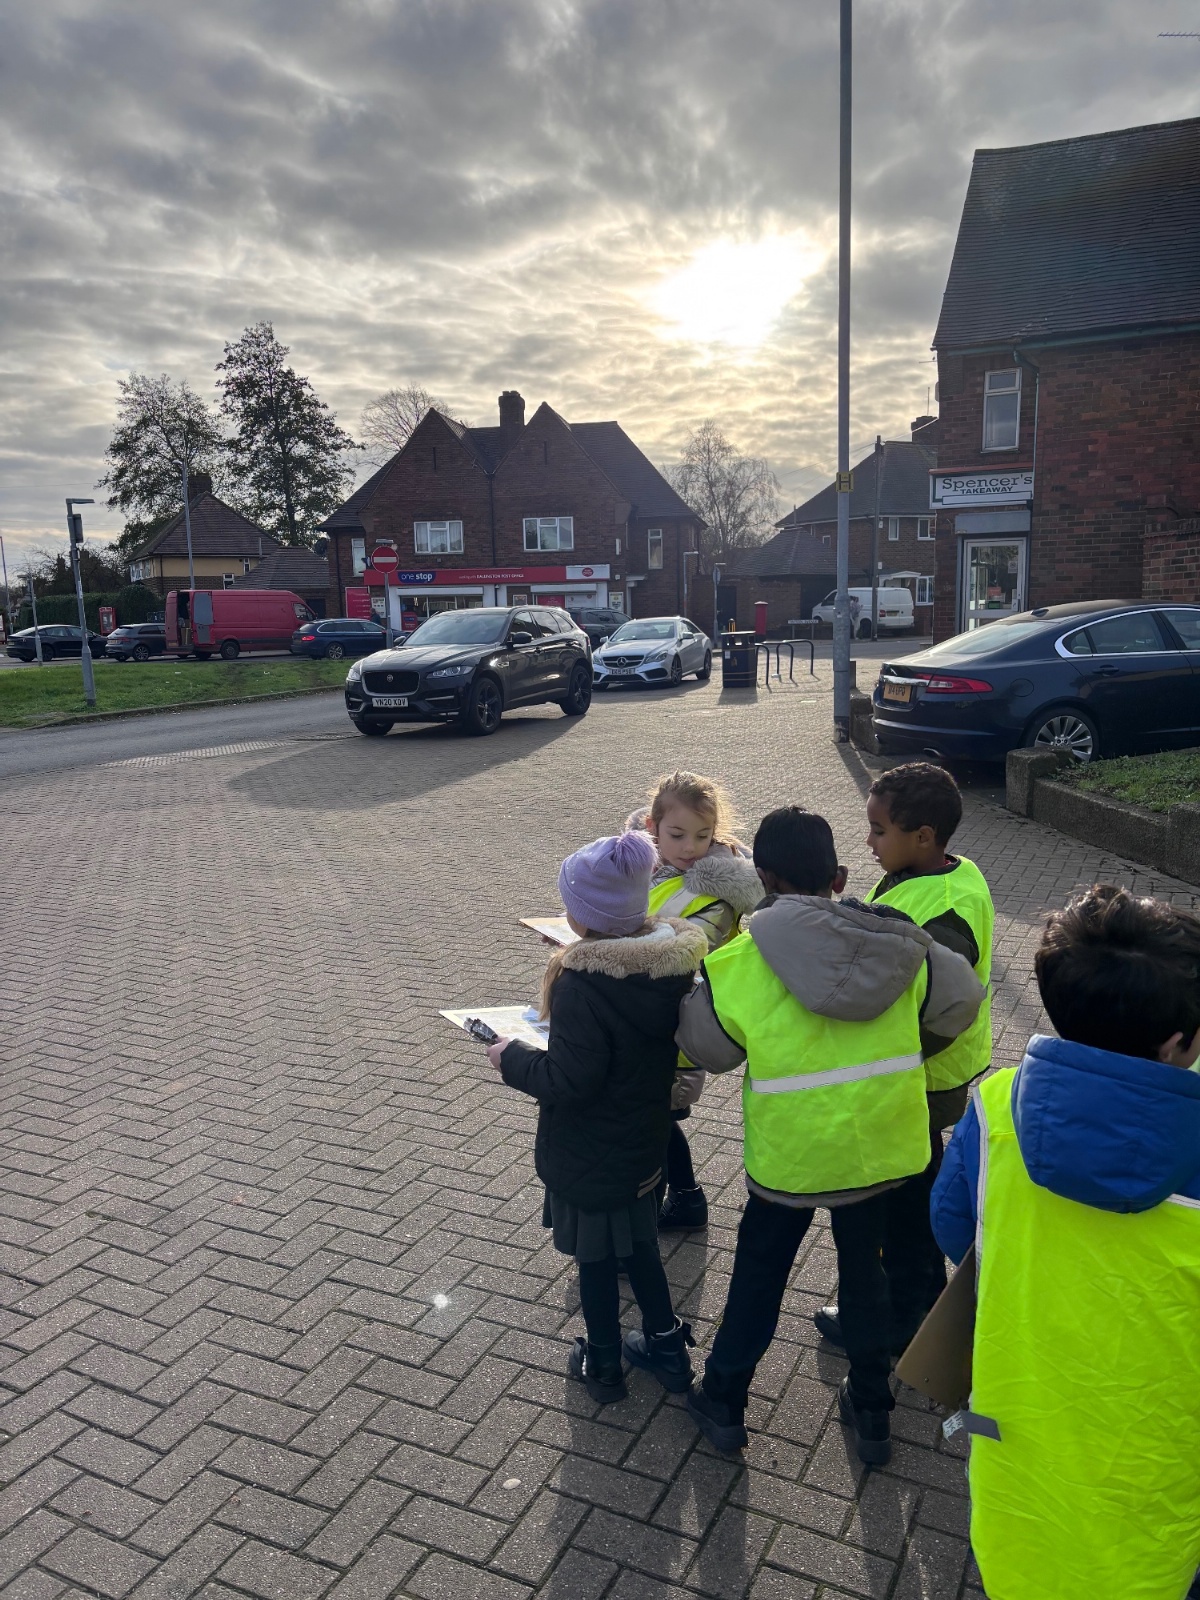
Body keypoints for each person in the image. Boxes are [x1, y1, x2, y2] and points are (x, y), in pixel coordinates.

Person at [676, 807, 983, 1462]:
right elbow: (963, 1000)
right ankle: (871, 1408)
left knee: (759, 1276)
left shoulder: (740, 963)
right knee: (866, 1277)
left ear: (763, 878)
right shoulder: (899, 943)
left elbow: (710, 1051)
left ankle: (725, 1399)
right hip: (880, 1147)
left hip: (791, 1158)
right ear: (838, 877)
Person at [931, 885, 1200, 1600]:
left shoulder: (995, 1107)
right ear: (1176, 1042)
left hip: (1018, 1440)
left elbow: (955, 1225)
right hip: (1155, 1467)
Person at [487, 830, 708, 1404]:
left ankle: (605, 1362)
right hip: (643, 1140)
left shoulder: (582, 986)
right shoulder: (666, 964)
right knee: (639, 1247)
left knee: (595, 1259)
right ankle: (667, 1347)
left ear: (583, 918)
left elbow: (569, 1081)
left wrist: (511, 1058)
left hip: (590, 1150)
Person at [814, 761, 995, 1356]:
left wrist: (888, 1055)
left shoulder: (945, 911)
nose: (868, 841)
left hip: (921, 1076)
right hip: (917, 1073)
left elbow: (944, 1008)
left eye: (878, 830)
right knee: (910, 1192)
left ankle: (901, 1319)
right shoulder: (932, 872)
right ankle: (917, 1304)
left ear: (922, 836)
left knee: (905, 1200)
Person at [627, 771, 763, 1231]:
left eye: (702, 836)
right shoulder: (645, 869)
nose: (690, 847)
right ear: (652, 827)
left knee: (654, 1118)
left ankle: (662, 1213)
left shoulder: (718, 891)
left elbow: (687, 952)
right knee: (656, 1119)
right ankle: (686, 1200)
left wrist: (604, 948)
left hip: (677, 1024)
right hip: (642, 1015)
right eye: (677, 834)